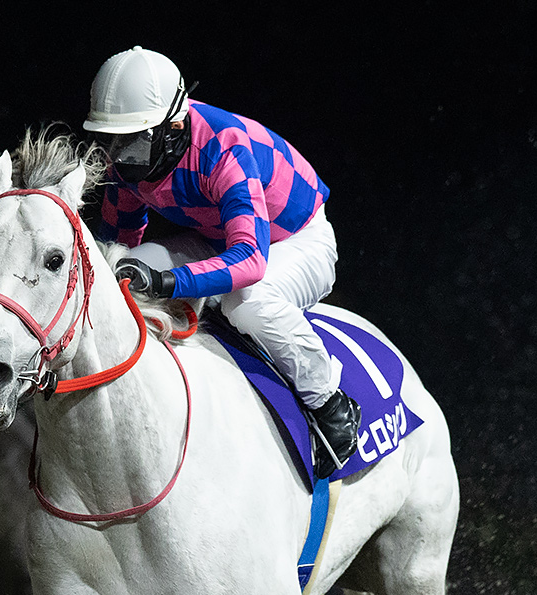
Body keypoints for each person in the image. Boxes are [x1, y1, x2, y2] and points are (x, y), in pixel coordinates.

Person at [83, 46, 361, 476]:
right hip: (217, 237)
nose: (118, 159)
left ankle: (330, 403)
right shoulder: (130, 157)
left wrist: (170, 283)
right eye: (110, 141)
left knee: (245, 302)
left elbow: (250, 261)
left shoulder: (224, 148)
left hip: (299, 240)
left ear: (172, 126)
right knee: (126, 273)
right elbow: (116, 242)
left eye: (132, 143)